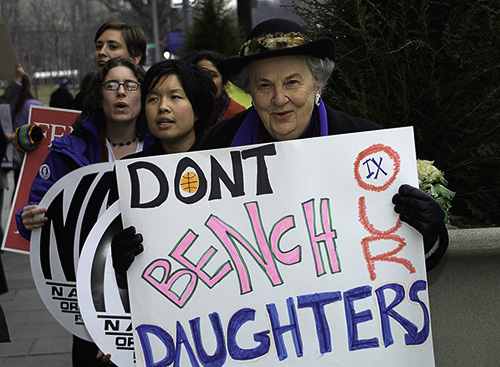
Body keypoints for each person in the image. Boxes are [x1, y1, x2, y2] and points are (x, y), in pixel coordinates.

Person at [111, 18, 448, 275]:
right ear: (251, 93)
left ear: (318, 83)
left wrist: (430, 233)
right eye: (264, 85)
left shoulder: (365, 145)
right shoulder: (218, 146)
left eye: (292, 82)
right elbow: (192, 248)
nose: (279, 98)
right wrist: (138, 259)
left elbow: (407, 262)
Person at [16, 57, 153, 366]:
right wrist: (28, 217)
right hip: (90, 292)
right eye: (111, 85)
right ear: (98, 95)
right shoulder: (68, 151)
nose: (121, 93)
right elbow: (35, 213)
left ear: (142, 95)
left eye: (130, 85)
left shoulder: (164, 147)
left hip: (155, 286)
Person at [111, 59, 217, 278]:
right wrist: (120, 262)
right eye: (153, 99)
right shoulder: (130, 176)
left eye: (175, 97)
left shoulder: (224, 166)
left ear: (197, 110)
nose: (163, 107)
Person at [75, 20, 147, 110]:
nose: (101, 52)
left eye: (113, 47)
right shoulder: (84, 99)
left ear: (134, 58)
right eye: (99, 46)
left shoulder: (149, 97)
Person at [182, 50, 246, 126]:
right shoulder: (185, 111)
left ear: (225, 84)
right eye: (200, 74)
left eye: (211, 75)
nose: (206, 80)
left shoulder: (238, 116)